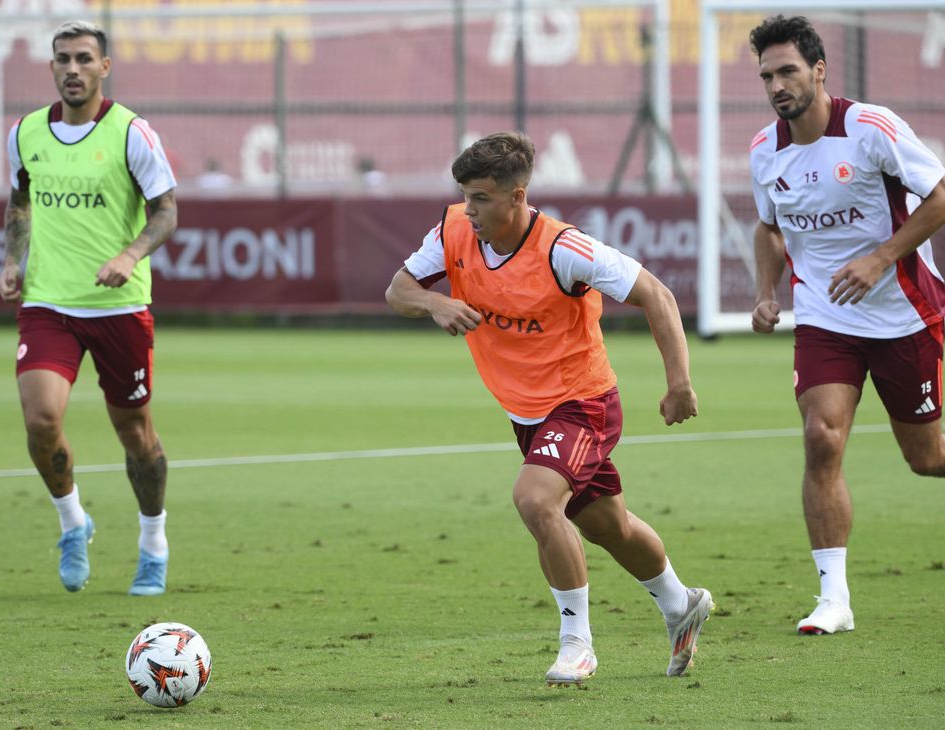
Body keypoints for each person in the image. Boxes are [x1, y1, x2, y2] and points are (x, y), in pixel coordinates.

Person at [385, 132, 712, 684]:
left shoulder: (565, 248)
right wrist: (435, 301)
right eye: (465, 195)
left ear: (517, 196)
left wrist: (679, 382)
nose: (470, 209)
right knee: (610, 528)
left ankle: (576, 644)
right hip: (527, 413)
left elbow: (657, 294)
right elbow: (398, 288)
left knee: (536, 501)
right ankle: (682, 605)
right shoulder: (453, 231)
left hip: (584, 402)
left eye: (482, 198)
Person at [748, 15, 945, 635]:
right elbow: (769, 227)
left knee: (927, 458)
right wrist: (764, 292)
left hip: (904, 314)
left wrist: (882, 257)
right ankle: (834, 598)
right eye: (767, 76)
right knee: (822, 438)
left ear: (819, 70)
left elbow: (940, 195)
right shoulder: (763, 150)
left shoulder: (870, 128)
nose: (778, 85)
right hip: (826, 320)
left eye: (787, 71)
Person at [0, 20, 179, 596]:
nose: (71, 69)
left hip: (120, 307)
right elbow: (20, 202)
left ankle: (153, 543)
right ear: (51, 67)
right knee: (41, 420)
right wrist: (11, 261)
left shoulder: (131, 133)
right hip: (48, 302)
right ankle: (73, 523)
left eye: (82, 59)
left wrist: (130, 254)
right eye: (61, 59)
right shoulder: (25, 132)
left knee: (135, 435)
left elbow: (167, 211)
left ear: (104, 67)